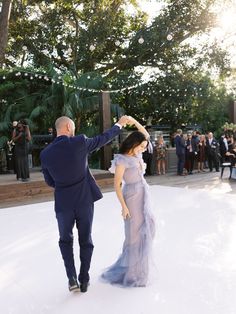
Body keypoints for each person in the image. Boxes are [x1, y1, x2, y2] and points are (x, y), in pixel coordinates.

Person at [40, 115, 130, 293]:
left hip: (63, 203)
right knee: (85, 240)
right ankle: (84, 279)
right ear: (68, 126)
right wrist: (119, 124)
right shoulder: (79, 142)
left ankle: (71, 278)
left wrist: (64, 184)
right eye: (72, 128)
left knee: (65, 240)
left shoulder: (45, 154)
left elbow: (50, 182)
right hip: (84, 201)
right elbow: (103, 138)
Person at [101, 117, 155, 287]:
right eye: (140, 146)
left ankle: (140, 271)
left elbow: (144, 134)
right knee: (133, 235)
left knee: (147, 229)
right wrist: (123, 206)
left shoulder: (138, 152)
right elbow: (116, 185)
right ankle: (131, 274)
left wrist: (132, 121)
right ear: (133, 143)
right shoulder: (122, 160)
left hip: (143, 194)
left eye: (143, 147)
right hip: (131, 197)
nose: (142, 149)